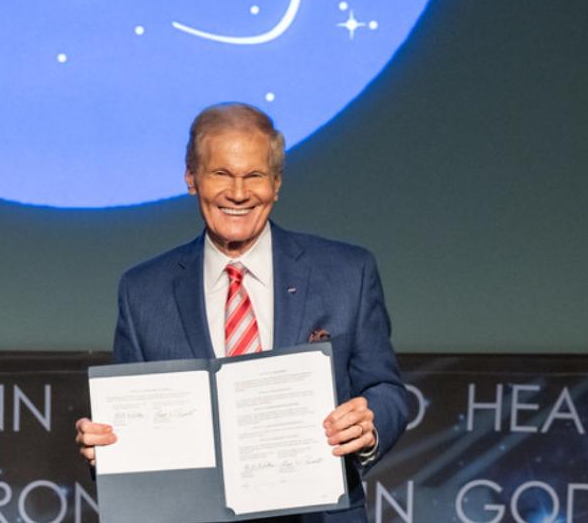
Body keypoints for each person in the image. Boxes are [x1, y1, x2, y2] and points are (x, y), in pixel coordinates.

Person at [75, 103, 408, 522]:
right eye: (221, 173)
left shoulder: (347, 273)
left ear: (276, 184)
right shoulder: (143, 291)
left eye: (254, 175)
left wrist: (368, 425)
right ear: (191, 178)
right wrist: (106, 447)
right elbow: (134, 425)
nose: (238, 193)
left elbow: (385, 388)